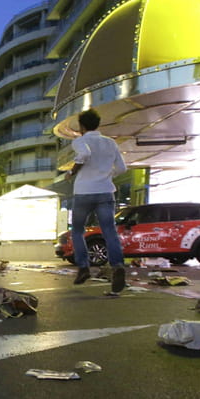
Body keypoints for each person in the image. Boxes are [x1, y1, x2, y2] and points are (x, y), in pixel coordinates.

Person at [67, 108, 128, 293]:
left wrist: (71, 171)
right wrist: (107, 175)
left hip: (84, 192)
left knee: (78, 231)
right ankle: (117, 266)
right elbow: (122, 168)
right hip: (105, 192)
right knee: (109, 231)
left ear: (82, 126)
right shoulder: (110, 143)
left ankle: (83, 267)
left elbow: (84, 154)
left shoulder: (80, 141)